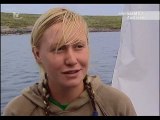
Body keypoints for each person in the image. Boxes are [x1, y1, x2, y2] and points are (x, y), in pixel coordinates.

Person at [3, 7, 136, 116]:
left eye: (79, 46)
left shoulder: (117, 105)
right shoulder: (18, 111)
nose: (71, 60)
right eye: (58, 49)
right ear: (37, 54)